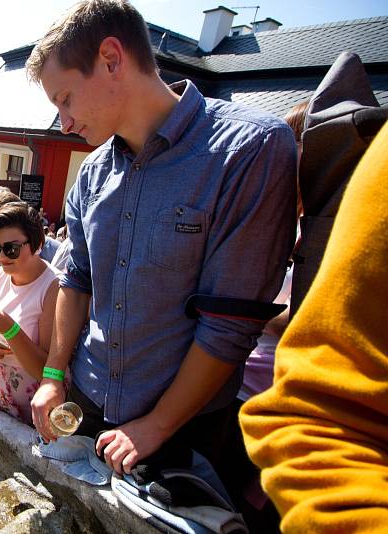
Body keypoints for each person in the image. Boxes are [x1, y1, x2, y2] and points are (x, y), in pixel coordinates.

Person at [26, 0, 296, 488]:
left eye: (65, 99)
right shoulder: (90, 174)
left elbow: (229, 325)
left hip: (181, 429)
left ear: (111, 58)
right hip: (87, 399)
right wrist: (52, 376)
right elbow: (76, 281)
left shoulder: (249, 149)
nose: (62, 123)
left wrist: (158, 424)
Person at [238, 128, 388, 532]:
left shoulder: (323, 229)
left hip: (274, 397)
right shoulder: (281, 226)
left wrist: (261, 312)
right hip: (261, 401)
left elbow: (324, 322)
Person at [0, 203, 59, 425]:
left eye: (11, 248)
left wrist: (8, 328)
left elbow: (45, 370)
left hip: (29, 405)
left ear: (37, 244)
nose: (1, 256)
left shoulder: (54, 287)